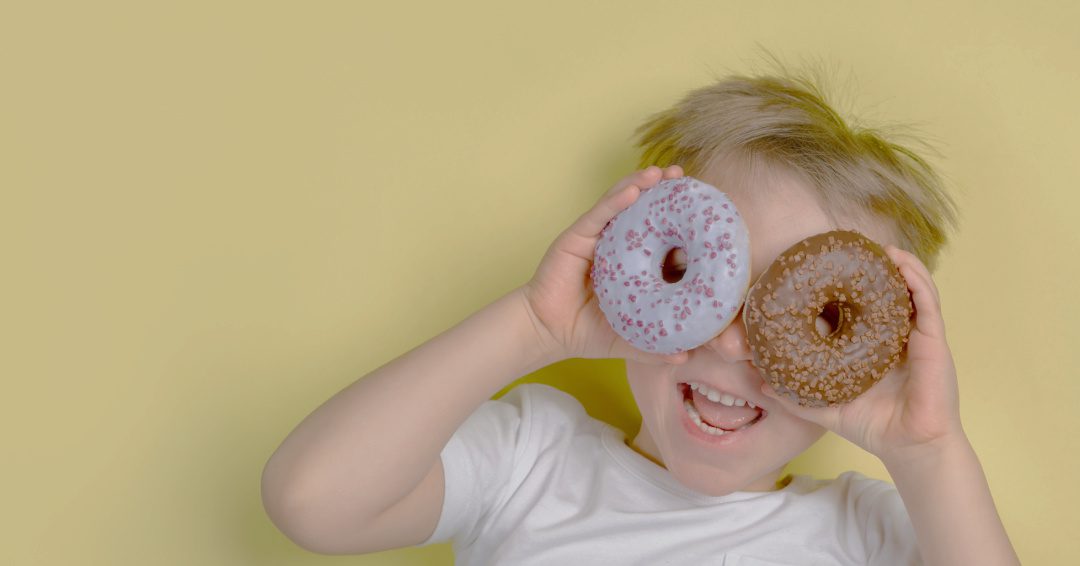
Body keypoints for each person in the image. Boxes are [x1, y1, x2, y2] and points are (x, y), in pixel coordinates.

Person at [260, 72, 1020, 565]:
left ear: (869, 354)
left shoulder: (873, 533)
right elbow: (314, 502)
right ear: (633, 272)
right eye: (698, 281)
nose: (730, 342)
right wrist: (534, 326)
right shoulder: (532, 459)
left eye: (809, 320)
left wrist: (928, 451)